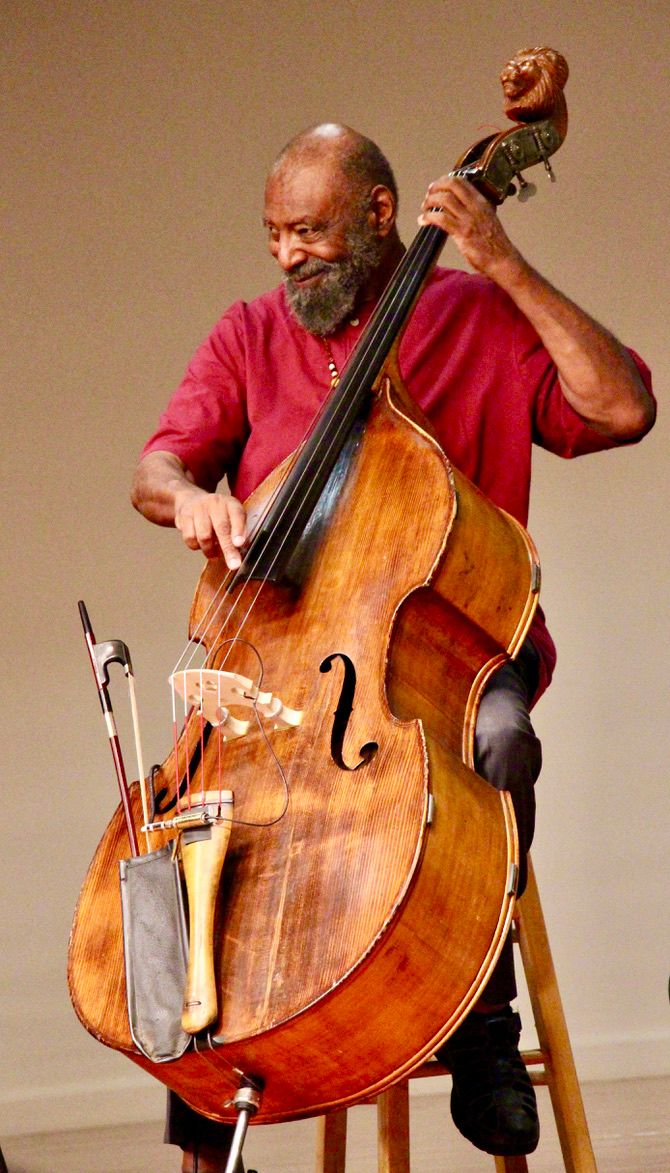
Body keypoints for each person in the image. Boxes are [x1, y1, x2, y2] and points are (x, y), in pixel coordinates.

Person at [131, 122, 655, 1170]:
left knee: (497, 742)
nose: (287, 255)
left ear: (380, 216)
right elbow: (158, 466)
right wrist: (190, 499)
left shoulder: (477, 316)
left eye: (309, 231)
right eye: (274, 234)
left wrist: (503, 261)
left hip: (458, 645)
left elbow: (623, 407)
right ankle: (207, 1074)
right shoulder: (250, 334)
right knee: (209, 811)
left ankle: (483, 1023)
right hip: (289, 652)